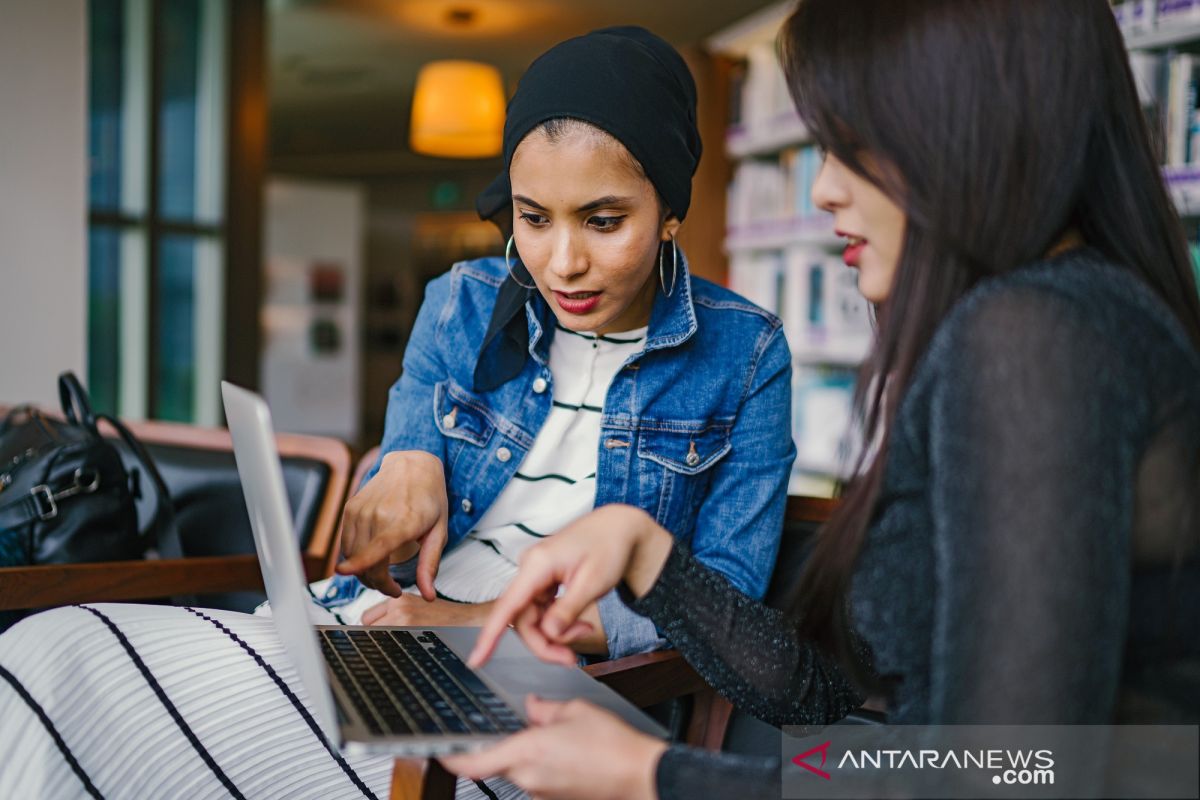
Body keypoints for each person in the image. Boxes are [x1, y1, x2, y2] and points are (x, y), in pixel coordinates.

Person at [0, 26, 797, 800]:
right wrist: (404, 457)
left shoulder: (747, 354)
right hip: (368, 629)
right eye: (532, 217)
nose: (562, 262)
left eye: (603, 220)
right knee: (47, 649)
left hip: (544, 688)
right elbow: (398, 475)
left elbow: (719, 606)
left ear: (670, 213)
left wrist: (462, 618)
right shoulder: (462, 301)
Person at [442, 1, 1200, 798]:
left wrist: (652, 776)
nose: (827, 189)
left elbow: (1008, 776)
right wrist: (647, 554)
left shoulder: (1034, 336)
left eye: (850, 147)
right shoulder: (1054, 319)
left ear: (965, 124)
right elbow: (830, 701)